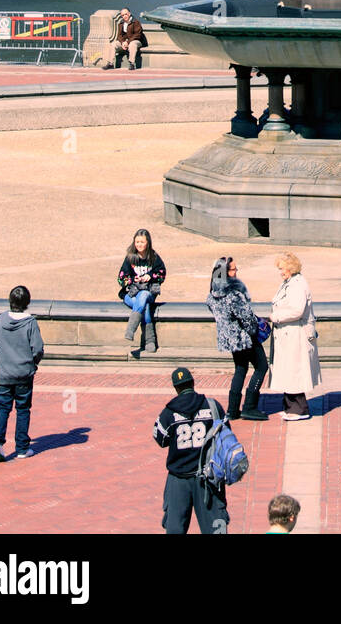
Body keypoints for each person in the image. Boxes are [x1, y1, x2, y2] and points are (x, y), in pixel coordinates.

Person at [153, 368, 228, 535]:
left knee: (175, 528)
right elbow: (226, 433)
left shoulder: (169, 413)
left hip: (179, 479)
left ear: (176, 388)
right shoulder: (212, 406)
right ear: (193, 383)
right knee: (216, 528)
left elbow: (160, 439)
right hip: (209, 478)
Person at [206, 256, 269, 421]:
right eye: (233, 269)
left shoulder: (213, 292)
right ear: (224, 272)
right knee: (262, 367)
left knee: (240, 369)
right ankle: (249, 406)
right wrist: (255, 330)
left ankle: (232, 410)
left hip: (231, 340)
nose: (236, 273)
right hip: (245, 338)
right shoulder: (234, 293)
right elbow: (247, 317)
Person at [0, 285, 44, 461]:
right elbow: (38, 349)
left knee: (2, 408)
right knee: (23, 409)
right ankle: (21, 448)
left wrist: (0, 356)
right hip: (23, 374)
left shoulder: (0, 320)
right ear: (27, 303)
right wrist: (32, 363)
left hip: (3, 373)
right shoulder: (30, 323)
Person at [269, 252, 322, 421]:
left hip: (295, 335)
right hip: (288, 335)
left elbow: (297, 311)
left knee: (295, 372)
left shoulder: (297, 285)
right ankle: (290, 407)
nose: (280, 272)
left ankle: (299, 410)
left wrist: (275, 317)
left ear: (291, 268)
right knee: (289, 372)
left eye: (282, 268)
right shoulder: (290, 283)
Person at [118, 228, 166, 353]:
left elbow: (162, 273)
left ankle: (130, 329)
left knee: (143, 295)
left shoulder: (154, 257)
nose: (139, 244)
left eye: (142, 242)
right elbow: (120, 278)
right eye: (137, 242)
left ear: (148, 243)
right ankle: (150, 340)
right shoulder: (130, 258)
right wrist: (134, 279)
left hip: (148, 292)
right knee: (143, 307)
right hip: (131, 294)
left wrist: (150, 276)